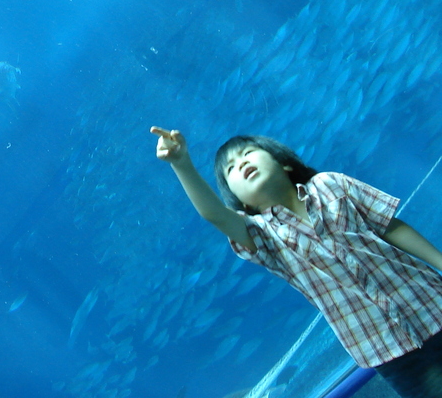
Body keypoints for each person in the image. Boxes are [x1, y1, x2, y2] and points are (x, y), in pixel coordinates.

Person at [151, 126, 442, 398]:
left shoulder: (330, 184)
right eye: (231, 169)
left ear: (284, 163)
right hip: (385, 349)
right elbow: (214, 214)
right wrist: (181, 163)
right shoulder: (262, 237)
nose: (240, 164)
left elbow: (389, 226)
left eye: (248, 153)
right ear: (242, 203)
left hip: (432, 302)